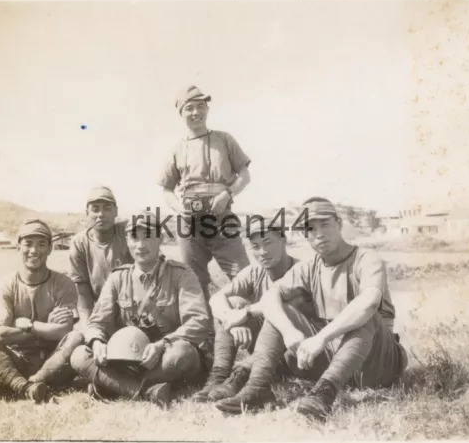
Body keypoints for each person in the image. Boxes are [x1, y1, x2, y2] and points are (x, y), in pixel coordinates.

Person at [215, 198, 407, 421]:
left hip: (377, 362)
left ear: (339, 223)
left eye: (324, 224)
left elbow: (369, 303)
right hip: (334, 355)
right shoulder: (310, 266)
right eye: (310, 229)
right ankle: (257, 389)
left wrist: (321, 338)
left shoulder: (366, 259)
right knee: (279, 310)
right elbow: (270, 297)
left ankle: (323, 394)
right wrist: (289, 331)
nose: (318, 234)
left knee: (366, 315)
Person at [70, 211, 213, 407]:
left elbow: (199, 321)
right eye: (134, 237)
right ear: (127, 240)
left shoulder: (181, 274)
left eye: (148, 236)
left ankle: (113, 385)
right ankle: (145, 392)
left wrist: (162, 344)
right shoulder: (118, 277)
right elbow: (96, 322)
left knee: (182, 353)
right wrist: (97, 342)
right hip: (126, 359)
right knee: (79, 355)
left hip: (165, 357)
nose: (140, 245)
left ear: (160, 238)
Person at [0, 219, 84, 403]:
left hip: (54, 360)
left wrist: (30, 325)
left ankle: (20, 384)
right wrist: (47, 330)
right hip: (18, 360)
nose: (34, 251)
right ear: (18, 247)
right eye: (28, 244)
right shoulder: (6, 285)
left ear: (50, 249)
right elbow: (2, 334)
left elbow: (64, 332)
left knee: (77, 338)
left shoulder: (64, 284)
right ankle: (26, 388)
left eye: (41, 244)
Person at [158, 85, 251, 299]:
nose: (196, 113)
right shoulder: (176, 149)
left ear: (207, 109)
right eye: (189, 108)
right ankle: (203, 329)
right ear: (181, 113)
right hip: (190, 223)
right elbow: (167, 190)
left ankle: (245, 323)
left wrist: (227, 194)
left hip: (222, 216)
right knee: (193, 281)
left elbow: (245, 175)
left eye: (201, 106)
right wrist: (180, 209)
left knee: (244, 276)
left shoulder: (225, 139)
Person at [192, 217, 297, 402]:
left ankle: (238, 378)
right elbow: (217, 298)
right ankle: (219, 375)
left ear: (283, 240)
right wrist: (231, 321)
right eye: (255, 246)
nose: (262, 252)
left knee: (278, 311)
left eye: (268, 243)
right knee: (232, 302)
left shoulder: (300, 270)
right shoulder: (255, 271)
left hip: (293, 351)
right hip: (264, 351)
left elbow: (278, 308)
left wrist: (244, 314)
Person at [69, 186, 133, 329]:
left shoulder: (127, 233)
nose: (101, 214)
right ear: (87, 213)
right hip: (100, 309)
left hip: (132, 307)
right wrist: (87, 324)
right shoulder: (79, 243)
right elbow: (82, 289)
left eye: (107, 208)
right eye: (95, 209)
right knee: (80, 336)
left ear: (116, 211)